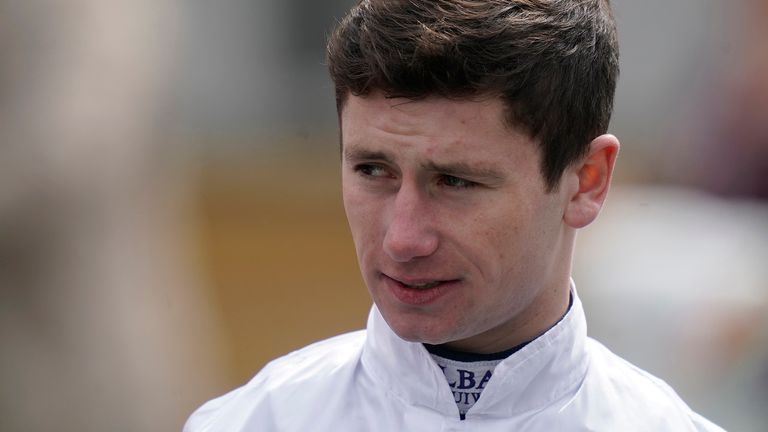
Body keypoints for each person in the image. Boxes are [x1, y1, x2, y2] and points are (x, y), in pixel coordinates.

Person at [185, 0, 725, 430]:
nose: (403, 238)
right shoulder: (249, 422)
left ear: (586, 181)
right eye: (373, 171)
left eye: (457, 182)